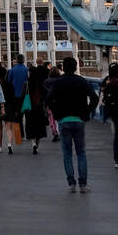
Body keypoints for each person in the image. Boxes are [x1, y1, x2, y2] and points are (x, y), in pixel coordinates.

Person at [46, 56, 99, 192]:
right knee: (81, 152)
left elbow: (49, 100)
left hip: (64, 121)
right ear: (76, 67)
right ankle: (83, 184)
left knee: (67, 153)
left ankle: (71, 183)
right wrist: (87, 111)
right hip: (79, 120)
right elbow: (94, 97)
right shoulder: (82, 81)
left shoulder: (58, 83)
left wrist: (57, 113)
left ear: (63, 67)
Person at [5, 53, 29, 153]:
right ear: (23, 60)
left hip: (14, 96)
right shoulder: (27, 70)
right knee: (26, 115)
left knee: (16, 117)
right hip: (25, 96)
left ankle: (19, 136)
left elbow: (8, 82)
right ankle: (27, 135)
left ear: (16, 60)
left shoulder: (12, 70)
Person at [24, 62, 49, 154]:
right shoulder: (41, 85)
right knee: (39, 127)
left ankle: (33, 143)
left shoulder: (27, 84)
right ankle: (37, 146)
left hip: (29, 108)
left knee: (30, 126)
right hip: (39, 108)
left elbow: (23, 96)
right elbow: (46, 96)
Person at [44, 64, 61, 141]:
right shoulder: (60, 80)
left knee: (51, 117)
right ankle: (58, 131)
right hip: (58, 101)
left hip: (49, 101)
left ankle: (54, 132)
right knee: (59, 117)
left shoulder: (46, 81)